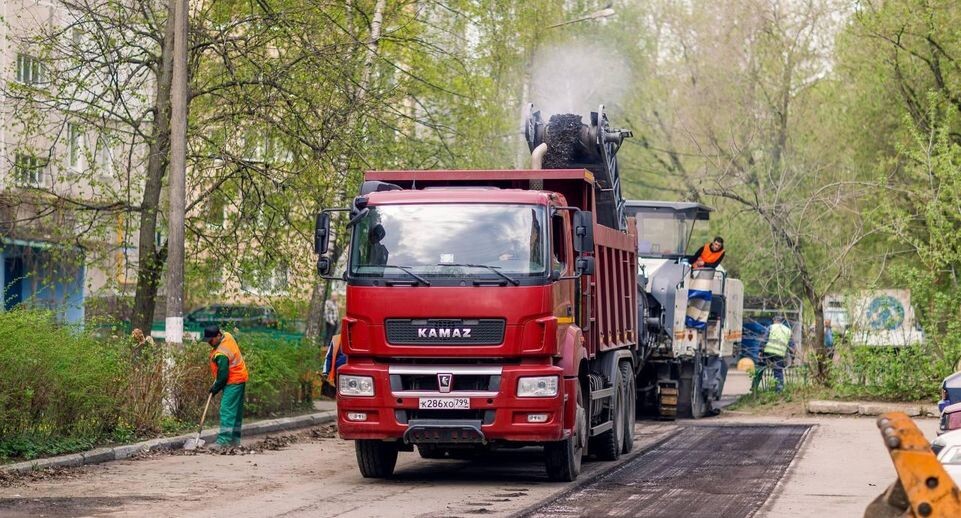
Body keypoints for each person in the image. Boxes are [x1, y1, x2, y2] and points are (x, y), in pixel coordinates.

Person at [205, 325, 248, 448]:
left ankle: (224, 441)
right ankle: (234, 440)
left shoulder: (221, 354)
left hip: (233, 381)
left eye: (211, 340)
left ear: (218, 335)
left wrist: (215, 388)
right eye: (207, 340)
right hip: (240, 377)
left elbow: (223, 376)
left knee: (227, 410)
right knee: (236, 411)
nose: (209, 342)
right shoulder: (228, 335)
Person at [752, 315, 792, 393]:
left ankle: (754, 387)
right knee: (778, 371)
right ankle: (779, 390)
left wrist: (760, 351)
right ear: (782, 322)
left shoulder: (771, 327)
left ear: (774, 320)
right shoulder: (788, 330)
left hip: (768, 352)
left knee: (760, 368)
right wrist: (792, 358)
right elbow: (791, 345)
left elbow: (765, 339)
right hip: (780, 354)